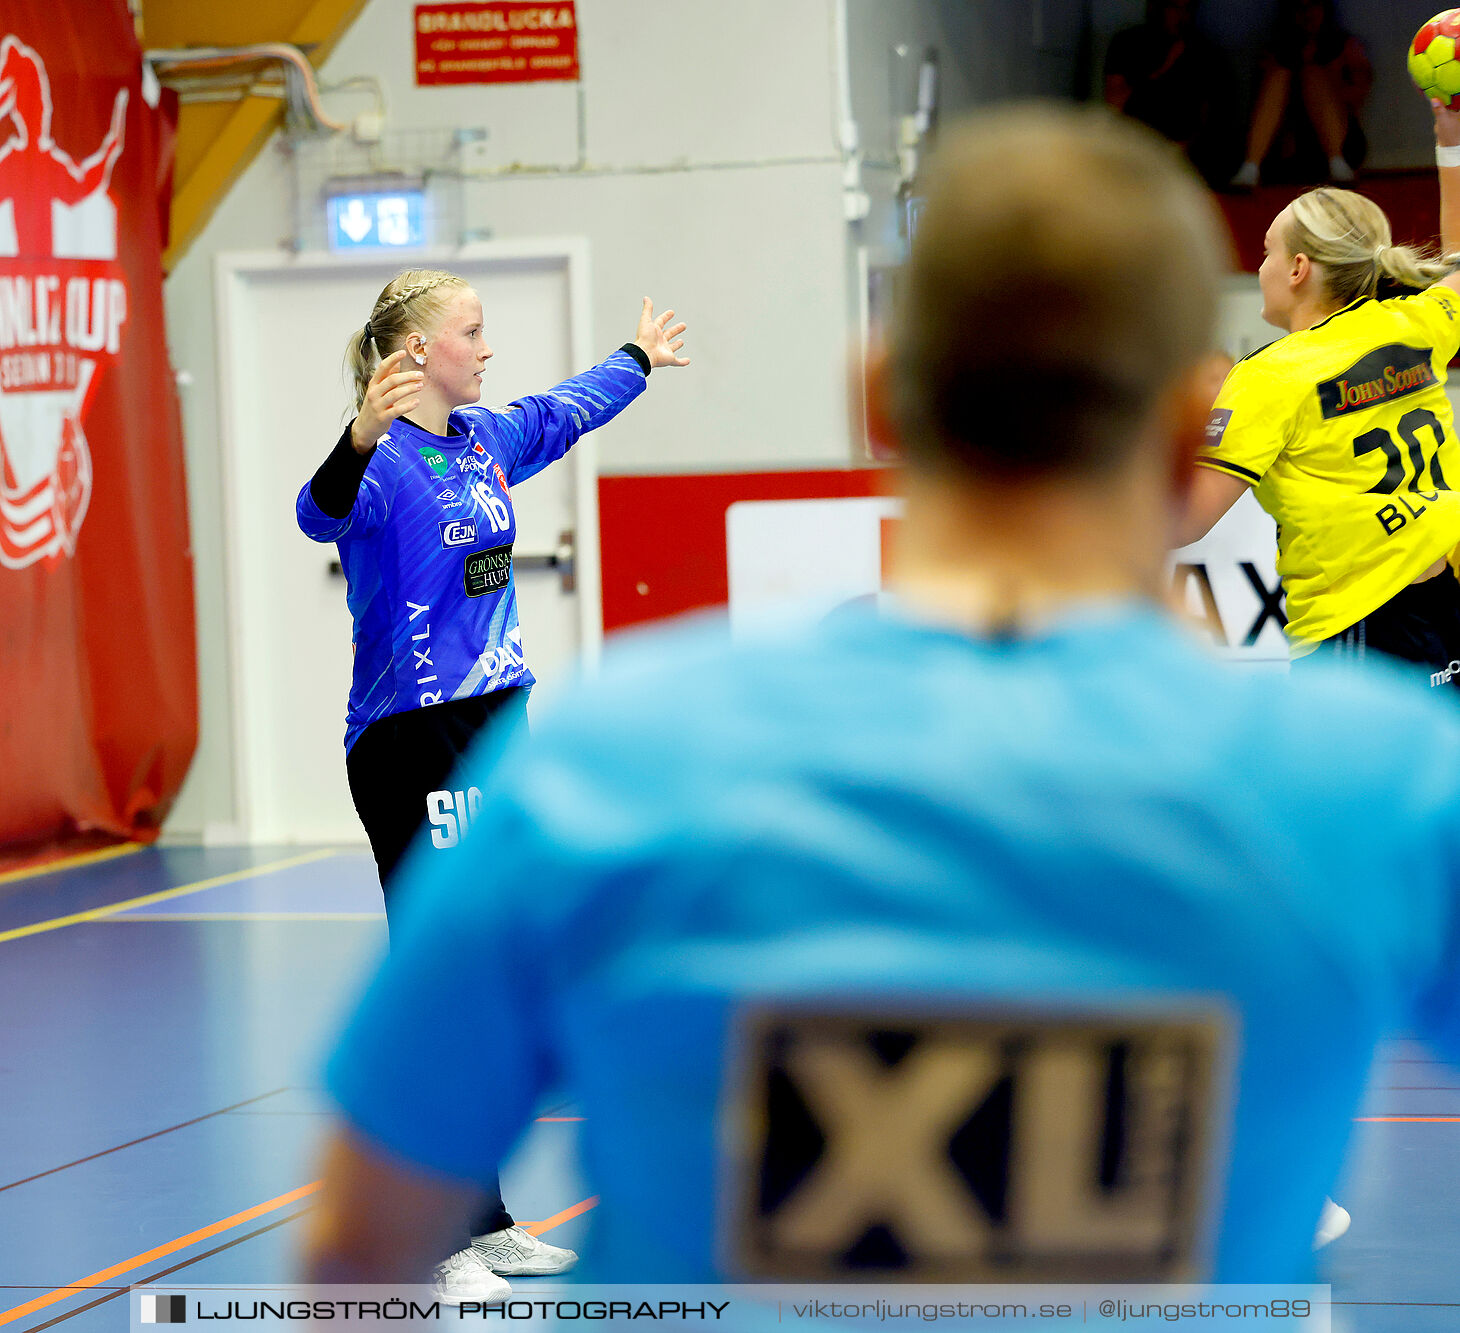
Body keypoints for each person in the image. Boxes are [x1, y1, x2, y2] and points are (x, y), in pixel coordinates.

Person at [301, 103, 1460, 1292]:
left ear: (879, 398)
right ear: (1181, 432)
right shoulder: (1374, 780)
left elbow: (357, 1252)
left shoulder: (595, 771)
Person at [294, 270, 689, 1301]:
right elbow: (315, 512)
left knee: (505, 965)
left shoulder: (485, 439)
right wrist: (357, 437)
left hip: (498, 724)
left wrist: (635, 360)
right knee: (451, 975)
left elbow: (566, 409)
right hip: (412, 740)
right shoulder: (382, 468)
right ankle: (434, 1237)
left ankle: (488, 1219)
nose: (488, 348)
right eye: (472, 332)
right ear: (418, 352)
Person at [1181, 103, 1460, 677]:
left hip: (1358, 625)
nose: (1258, 267)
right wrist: (1450, 138)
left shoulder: (1271, 374)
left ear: (1298, 269)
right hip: (1447, 598)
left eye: (1267, 253)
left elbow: (1185, 519)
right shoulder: (1414, 323)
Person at [1228, 0, 1371, 190]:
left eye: (1313, 6)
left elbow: (1358, 98)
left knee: (1312, 75)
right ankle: (1250, 166)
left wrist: (1327, 79)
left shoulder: (1345, 47)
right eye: (1300, 8)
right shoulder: (1276, 52)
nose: (1308, 15)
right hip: (1289, 146)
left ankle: (1337, 163)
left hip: (1340, 143)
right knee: (1281, 73)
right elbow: (1260, 104)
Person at [1102, 0, 1233, 186]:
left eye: (1188, 9)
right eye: (1175, 8)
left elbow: (1209, 115)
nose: (1182, 16)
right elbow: (1115, 102)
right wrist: (1162, 69)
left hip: (1182, 152)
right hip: (1135, 142)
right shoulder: (1128, 43)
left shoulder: (1203, 52)